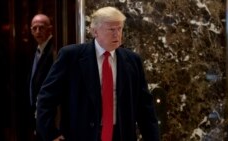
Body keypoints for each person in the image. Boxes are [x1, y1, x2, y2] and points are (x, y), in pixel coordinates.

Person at [36, 6, 160, 141]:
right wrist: (50, 134)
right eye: (111, 29)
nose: (117, 34)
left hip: (121, 135)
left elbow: (145, 108)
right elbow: (46, 98)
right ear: (95, 31)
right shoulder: (71, 56)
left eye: (119, 29)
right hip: (81, 135)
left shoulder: (132, 60)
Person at [29, 13, 57, 140]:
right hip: (38, 112)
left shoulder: (54, 50)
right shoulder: (36, 50)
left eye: (41, 28)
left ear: (50, 29)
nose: (37, 31)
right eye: (34, 28)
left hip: (51, 114)